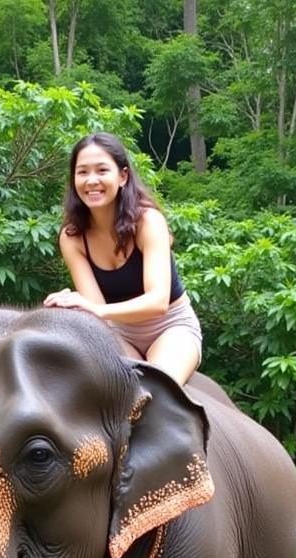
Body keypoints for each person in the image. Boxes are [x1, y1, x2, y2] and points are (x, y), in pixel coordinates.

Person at [43, 132, 203, 385]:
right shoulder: (72, 237)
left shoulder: (148, 222)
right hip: (119, 334)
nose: (91, 180)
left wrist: (95, 309)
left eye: (102, 170)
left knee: (156, 393)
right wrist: (71, 307)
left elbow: (157, 301)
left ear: (123, 176)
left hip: (171, 326)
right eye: (82, 172)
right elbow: (96, 313)